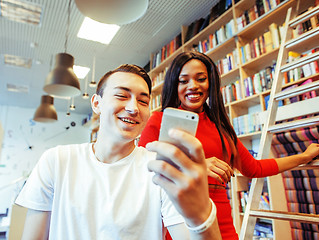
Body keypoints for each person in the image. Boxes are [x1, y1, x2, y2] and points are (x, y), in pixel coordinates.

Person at [15, 64, 222, 240]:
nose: (133, 108)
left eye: (143, 101)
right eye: (122, 95)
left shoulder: (159, 170)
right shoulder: (57, 160)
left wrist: (201, 212)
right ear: (97, 103)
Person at [138, 51, 319, 239]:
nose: (193, 86)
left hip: (222, 220)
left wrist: (304, 157)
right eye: (183, 81)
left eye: (201, 79)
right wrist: (197, 167)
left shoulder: (221, 127)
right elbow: (141, 173)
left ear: (211, 83)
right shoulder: (159, 121)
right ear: (174, 85)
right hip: (179, 220)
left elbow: (255, 168)